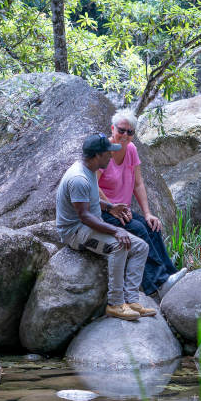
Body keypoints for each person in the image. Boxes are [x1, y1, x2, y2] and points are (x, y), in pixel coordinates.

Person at [56, 133, 157, 321]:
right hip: (75, 233)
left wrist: (110, 207)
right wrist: (115, 230)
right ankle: (116, 304)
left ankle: (131, 300)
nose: (111, 156)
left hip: (89, 225)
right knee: (119, 245)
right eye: (108, 153)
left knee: (141, 246)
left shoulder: (90, 170)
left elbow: (91, 201)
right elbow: (84, 216)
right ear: (97, 156)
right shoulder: (79, 178)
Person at [97, 109, 187, 298]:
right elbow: (92, 186)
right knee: (138, 229)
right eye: (121, 130)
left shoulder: (131, 150)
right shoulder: (103, 151)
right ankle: (157, 284)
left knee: (151, 226)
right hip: (103, 210)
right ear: (113, 128)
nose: (125, 135)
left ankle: (170, 275)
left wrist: (148, 213)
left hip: (123, 211)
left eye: (130, 132)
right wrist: (112, 208)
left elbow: (138, 183)